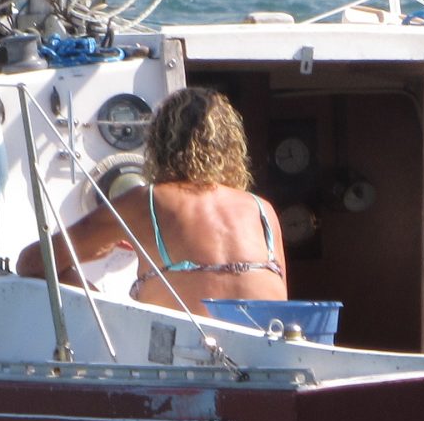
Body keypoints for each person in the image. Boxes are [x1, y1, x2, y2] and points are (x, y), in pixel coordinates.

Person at [15, 87, 286, 317]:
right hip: (270, 350)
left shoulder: (146, 201)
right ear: (232, 147)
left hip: (190, 350)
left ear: (158, 144)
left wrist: (108, 292)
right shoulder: (262, 209)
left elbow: (32, 262)